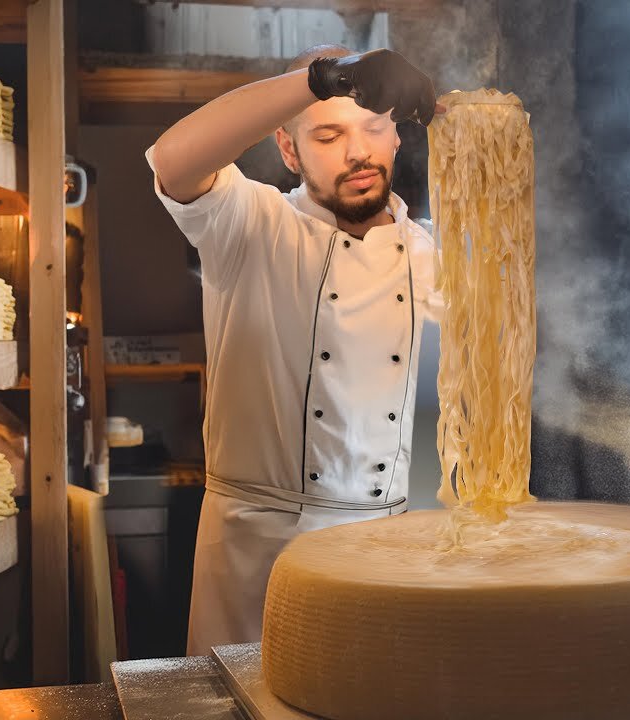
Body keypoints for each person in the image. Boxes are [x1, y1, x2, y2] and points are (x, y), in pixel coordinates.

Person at [145, 44, 444, 656]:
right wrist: (322, 81)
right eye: (328, 134)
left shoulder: (433, 252)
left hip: (383, 549)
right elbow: (174, 161)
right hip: (258, 549)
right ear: (289, 149)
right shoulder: (249, 224)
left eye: (374, 129)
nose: (358, 152)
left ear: (396, 138)